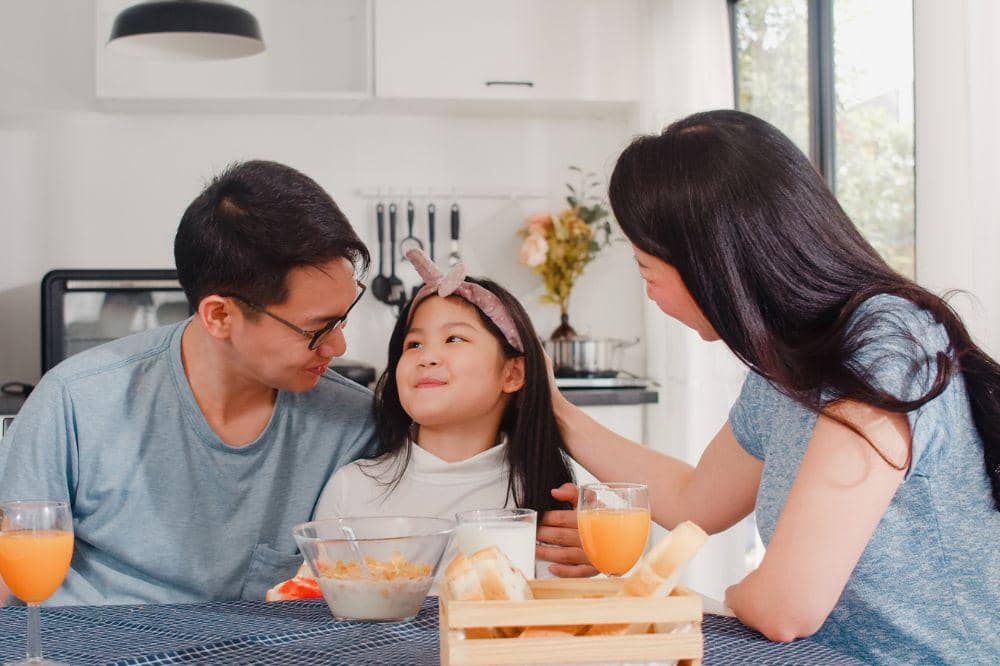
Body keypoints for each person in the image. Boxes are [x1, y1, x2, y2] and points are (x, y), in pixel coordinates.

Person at [548, 110, 1000, 664]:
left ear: (713, 263)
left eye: (648, 273)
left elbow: (787, 607)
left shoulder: (885, 348)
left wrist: (734, 597)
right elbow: (697, 501)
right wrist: (555, 410)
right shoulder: (786, 366)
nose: (651, 297)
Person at [0, 160, 377, 605]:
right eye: (317, 328)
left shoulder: (351, 423)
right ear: (219, 315)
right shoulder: (74, 402)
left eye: (344, 318)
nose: (338, 346)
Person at [311, 249, 592, 578]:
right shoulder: (352, 489)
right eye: (413, 344)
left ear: (513, 374)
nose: (427, 356)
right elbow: (319, 608)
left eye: (453, 338)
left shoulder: (544, 496)